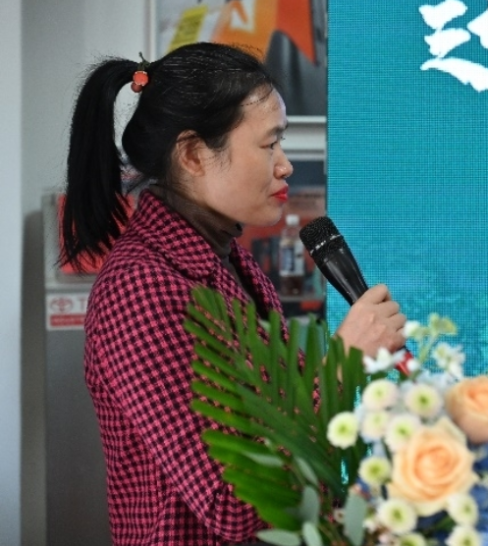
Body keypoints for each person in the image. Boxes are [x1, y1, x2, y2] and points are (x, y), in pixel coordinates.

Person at [61, 42, 407, 546]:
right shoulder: (140, 289)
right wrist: (340, 366)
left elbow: (277, 423)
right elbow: (231, 502)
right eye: (269, 145)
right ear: (193, 155)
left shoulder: (228, 261)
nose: (285, 165)